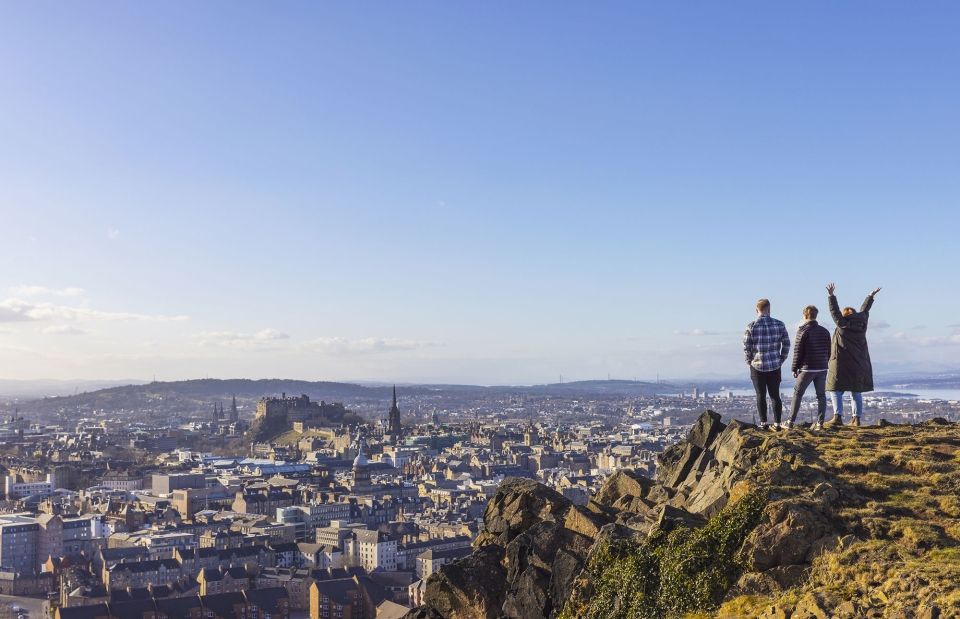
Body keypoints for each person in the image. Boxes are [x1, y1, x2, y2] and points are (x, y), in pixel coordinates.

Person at [825, 283, 881, 427]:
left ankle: (837, 416)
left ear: (844, 316)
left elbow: (834, 312)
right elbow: (865, 310)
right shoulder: (862, 324)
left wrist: (831, 296)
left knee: (835, 389)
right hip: (859, 363)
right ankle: (856, 419)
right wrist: (870, 296)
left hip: (841, 363)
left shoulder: (842, 324)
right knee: (856, 391)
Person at [743, 298, 791, 429]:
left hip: (757, 366)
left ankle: (763, 423)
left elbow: (746, 347)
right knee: (775, 395)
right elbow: (787, 343)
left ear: (756, 310)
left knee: (760, 395)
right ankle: (777, 424)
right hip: (775, 365)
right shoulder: (779, 324)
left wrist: (749, 361)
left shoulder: (751, 326)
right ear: (769, 309)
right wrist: (781, 359)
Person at [787, 305, 832, 430]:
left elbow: (797, 351)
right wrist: (824, 362)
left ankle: (790, 422)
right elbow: (829, 351)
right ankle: (820, 423)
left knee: (798, 393)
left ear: (805, 316)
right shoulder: (825, 331)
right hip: (822, 368)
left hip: (807, 368)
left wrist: (794, 368)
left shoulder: (803, 331)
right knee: (821, 395)